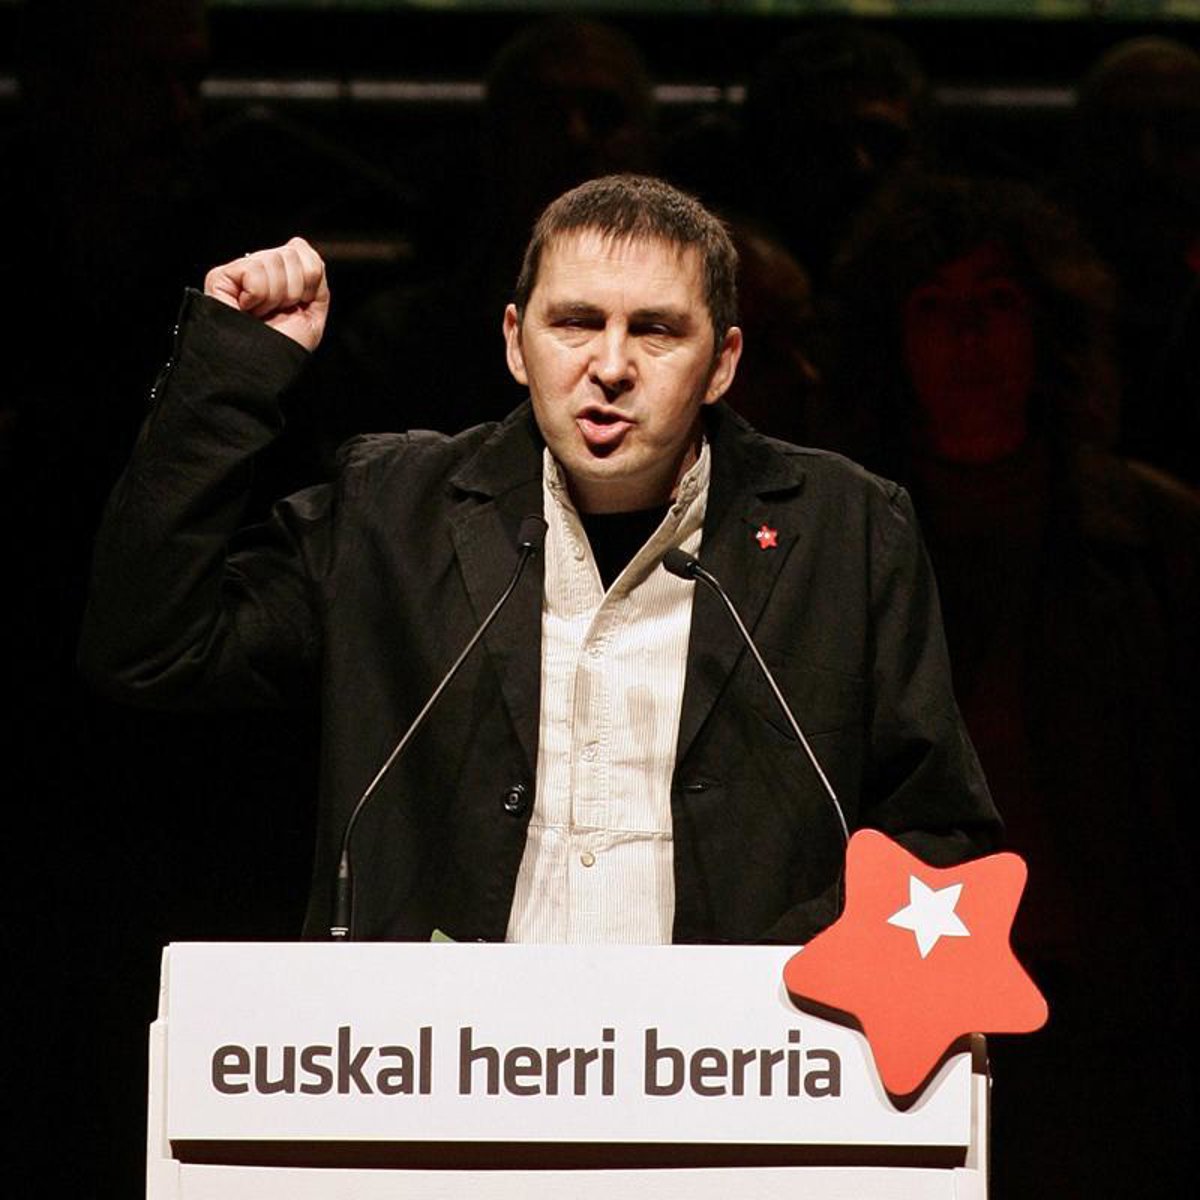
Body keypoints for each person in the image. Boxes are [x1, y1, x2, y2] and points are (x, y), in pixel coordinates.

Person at [79, 174, 998, 946]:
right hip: (439, 1065)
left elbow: (938, 833)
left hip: (733, 1067)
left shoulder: (846, 529)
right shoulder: (393, 511)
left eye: (656, 330)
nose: (611, 365)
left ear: (722, 363)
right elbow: (150, 647)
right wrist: (231, 374)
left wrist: (798, 986)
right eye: (575, 323)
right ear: (516, 342)